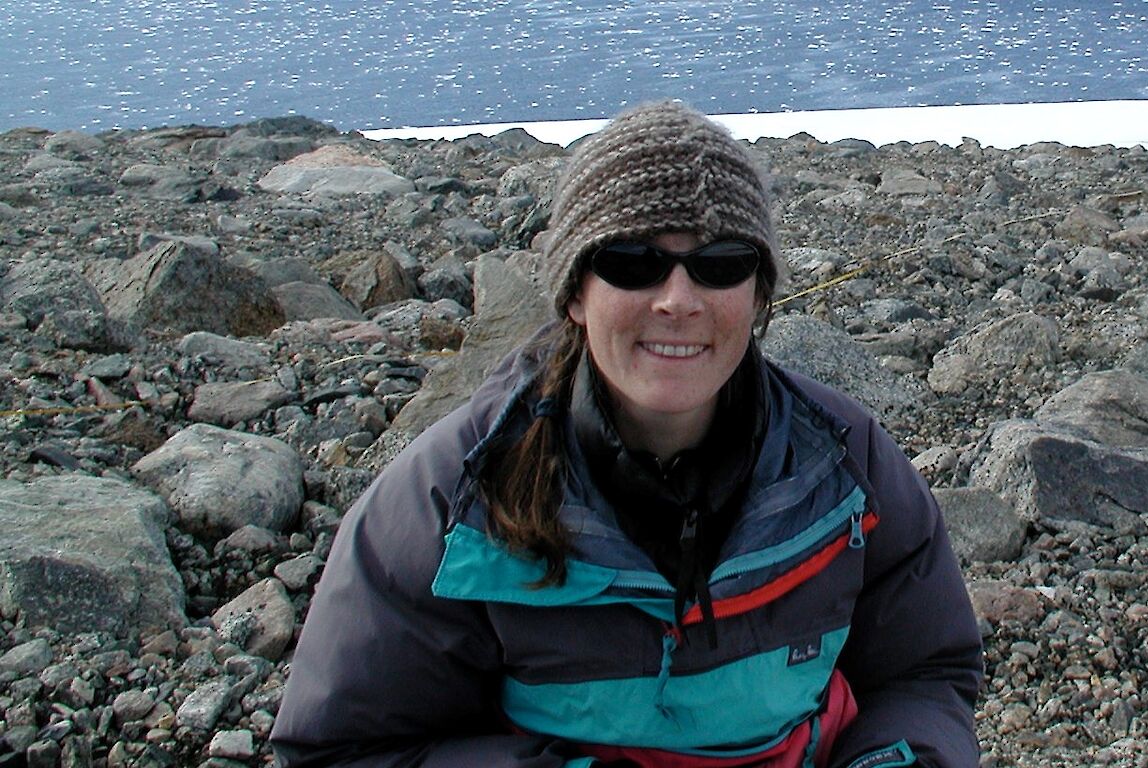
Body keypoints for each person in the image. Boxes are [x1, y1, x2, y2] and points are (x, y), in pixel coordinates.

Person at [269, 101, 983, 768]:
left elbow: (924, 671)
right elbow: (347, 746)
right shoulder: (451, 503)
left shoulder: (845, 466)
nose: (678, 300)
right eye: (633, 263)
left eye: (720, 264)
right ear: (576, 293)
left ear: (759, 295)